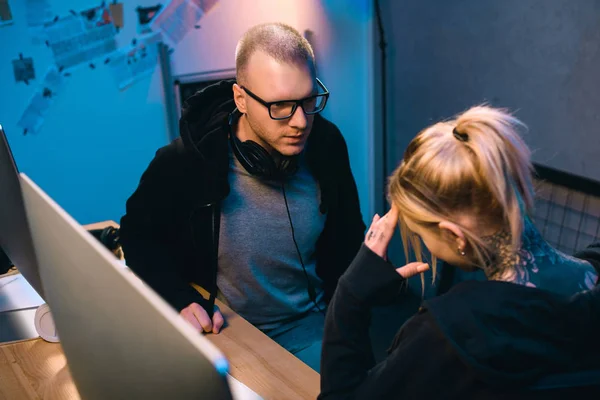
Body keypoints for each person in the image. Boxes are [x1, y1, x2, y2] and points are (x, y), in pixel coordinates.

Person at [119, 22, 365, 372]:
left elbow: (347, 240)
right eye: (280, 106)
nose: (299, 122)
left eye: (309, 100)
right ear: (241, 99)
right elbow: (137, 236)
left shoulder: (326, 144)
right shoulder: (185, 162)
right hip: (226, 331)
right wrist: (178, 297)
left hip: (311, 329)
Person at [319, 105, 600, 398]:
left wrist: (351, 294)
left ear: (456, 237)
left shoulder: (449, 335)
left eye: (420, 235)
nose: (426, 246)